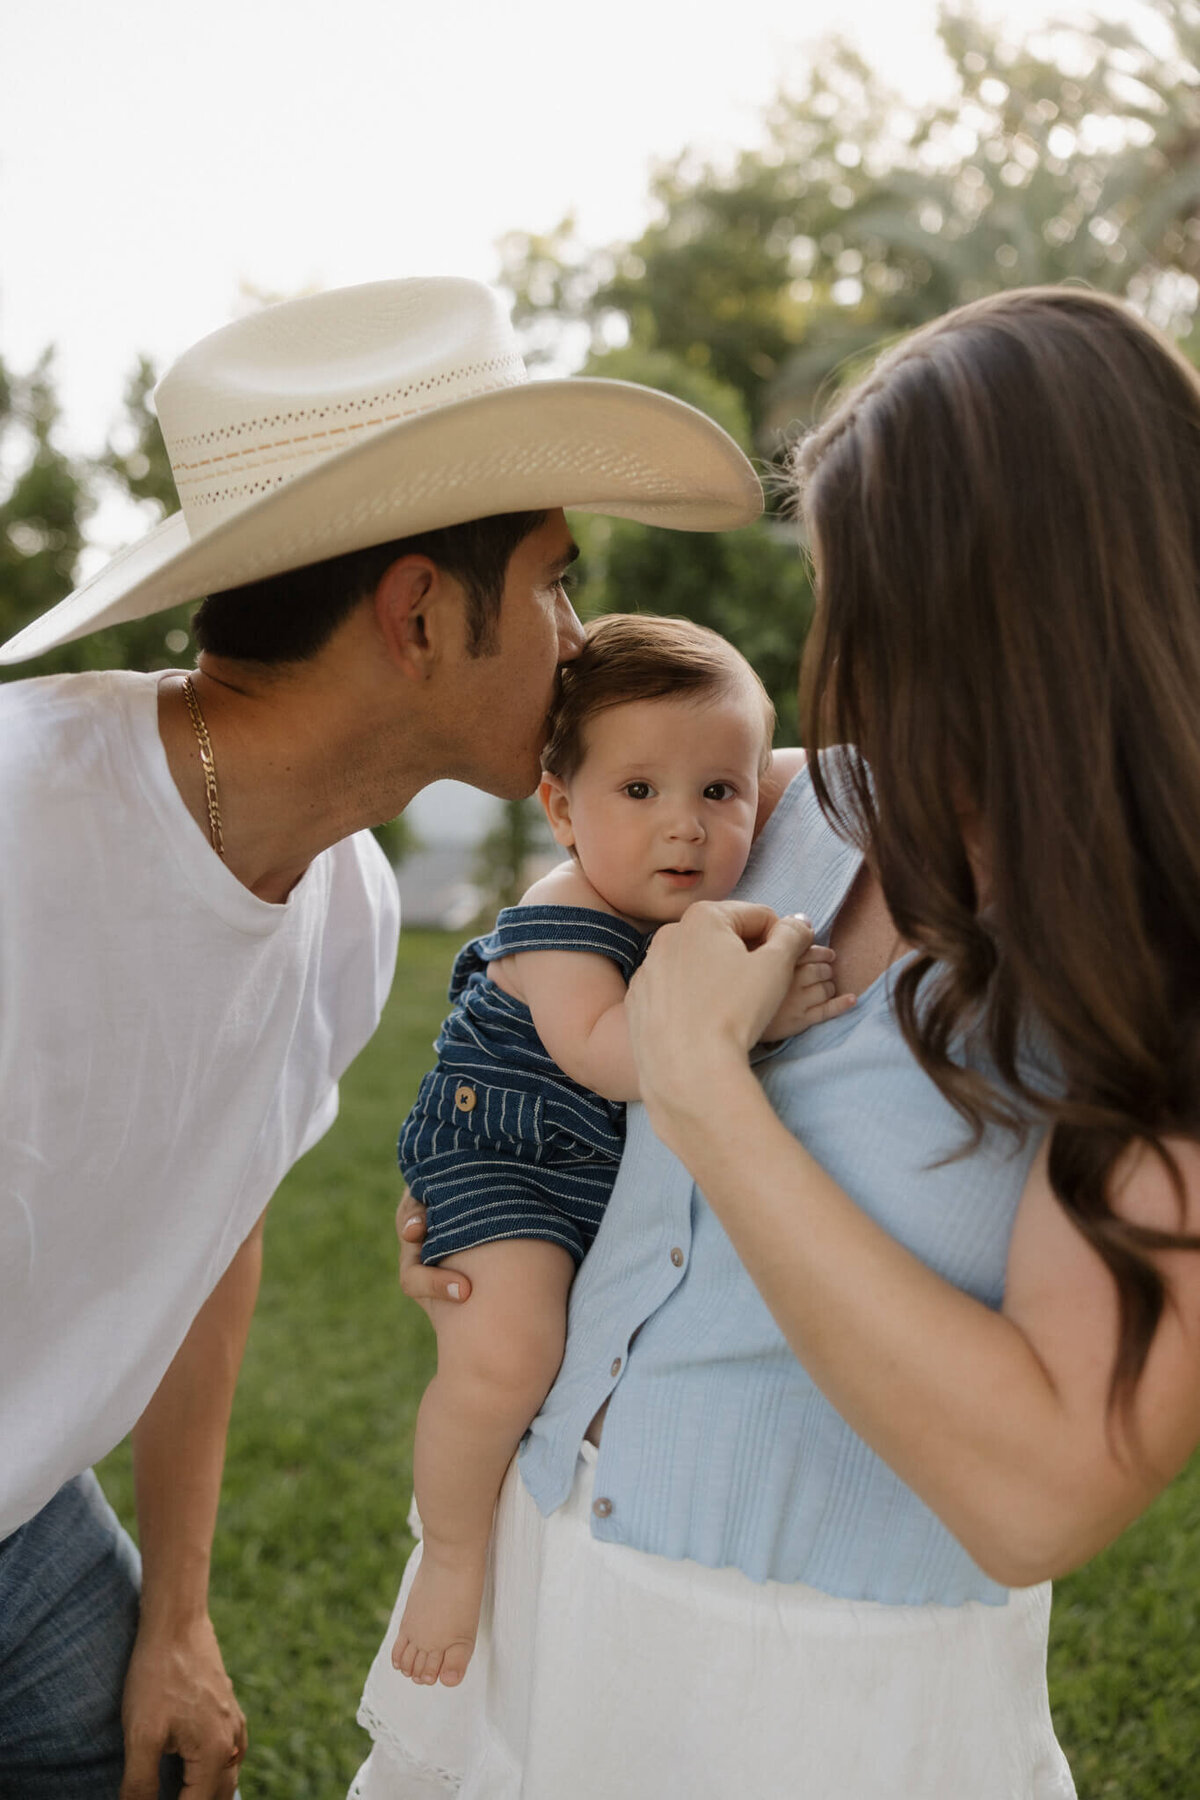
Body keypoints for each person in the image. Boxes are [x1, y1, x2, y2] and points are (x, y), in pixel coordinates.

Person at [356, 286, 1200, 1800]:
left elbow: (1047, 1490)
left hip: (810, 1698)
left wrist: (705, 1097)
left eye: (873, 599)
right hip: (544, 1573)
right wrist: (496, 1183)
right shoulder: (783, 809)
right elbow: (547, 944)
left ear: (1032, 616)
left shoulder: (1162, 964)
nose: (842, 652)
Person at [0, 275, 761, 1800]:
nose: (577, 632)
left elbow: (210, 1232)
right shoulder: (24, 822)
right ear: (419, 615)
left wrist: (181, 1611)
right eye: (551, 583)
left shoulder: (344, 904)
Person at [386, 613, 853, 1690]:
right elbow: (606, 1054)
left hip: (580, 1158)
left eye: (718, 793)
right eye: (637, 793)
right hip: (503, 1153)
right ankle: (452, 1558)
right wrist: (757, 1017)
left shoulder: (680, 891)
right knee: (505, 1350)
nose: (683, 828)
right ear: (560, 810)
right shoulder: (563, 913)